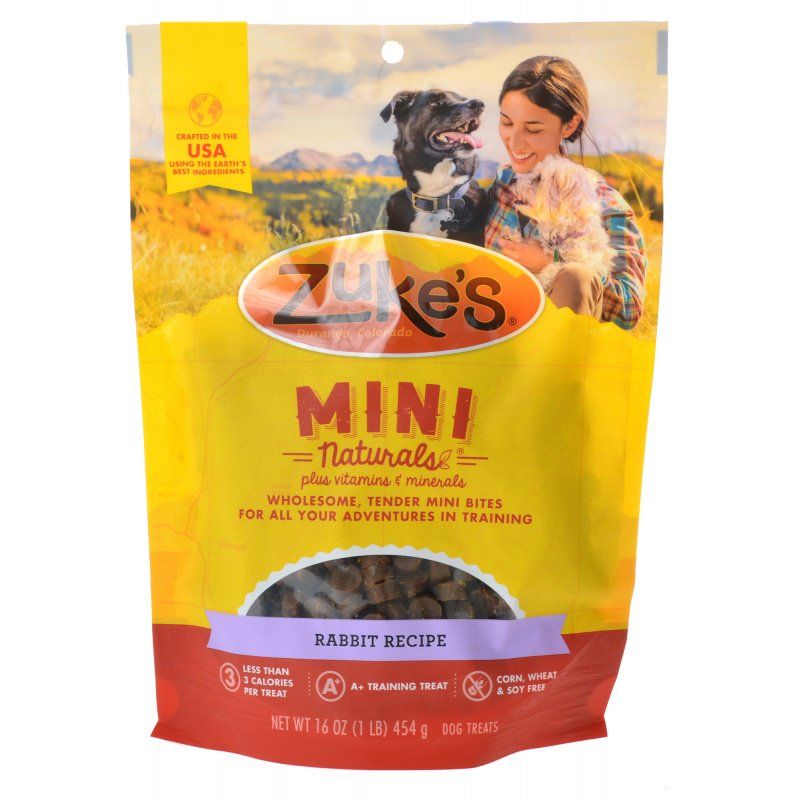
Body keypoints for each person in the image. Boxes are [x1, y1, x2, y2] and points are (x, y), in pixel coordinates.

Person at [485, 56, 647, 329]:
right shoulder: (502, 186)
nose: (514, 142)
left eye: (533, 129)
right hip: (492, 332)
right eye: (507, 123)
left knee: (577, 277)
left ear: (569, 125)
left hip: (555, 344)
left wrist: (552, 262)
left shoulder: (606, 206)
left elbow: (629, 309)